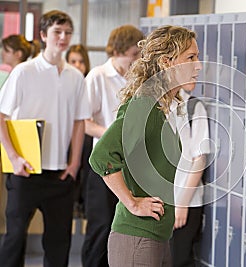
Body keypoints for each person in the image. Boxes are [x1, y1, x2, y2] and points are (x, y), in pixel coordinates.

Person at [89, 25, 201, 266]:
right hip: (137, 237)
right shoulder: (143, 106)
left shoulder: (163, 108)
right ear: (167, 62)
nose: (198, 65)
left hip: (157, 235)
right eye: (191, 57)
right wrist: (132, 202)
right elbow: (101, 155)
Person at [0, 10, 90, 267]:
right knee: (14, 240)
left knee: (59, 244)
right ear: (43, 35)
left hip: (60, 176)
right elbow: (1, 116)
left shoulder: (75, 77)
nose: (63, 38)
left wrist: (74, 164)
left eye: (67, 33)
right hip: (24, 172)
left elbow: (79, 121)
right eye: (57, 32)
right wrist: (14, 157)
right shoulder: (24, 72)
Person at [81, 25, 144, 267]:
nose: (136, 60)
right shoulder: (97, 76)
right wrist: (114, 135)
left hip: (130, 165)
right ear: (118, 50)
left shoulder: (136, 79)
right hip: (104, 164)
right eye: (133, 54)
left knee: (121, 228)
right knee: (100, 225)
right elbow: (85, 123)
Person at [169, 88, 210, 267]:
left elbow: (200, 160)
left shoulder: (193, 106)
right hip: (159, 201)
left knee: (179, 259)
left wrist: (181, 204)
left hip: (186, 202)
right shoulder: (152, 104)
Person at [66, 44, 92, 219]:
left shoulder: (90, 83)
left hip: (87, 135)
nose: (77, 65)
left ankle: (83, 202)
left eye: (81, 62)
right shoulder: (63, 84)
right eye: (73, 61)